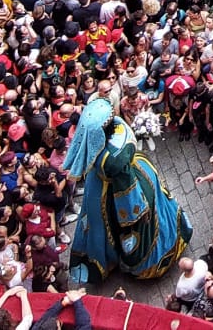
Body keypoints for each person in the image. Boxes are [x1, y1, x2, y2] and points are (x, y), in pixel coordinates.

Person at [61, 96, 191, 284]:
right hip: (132, 175)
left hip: (122, 185)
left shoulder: (106, 157)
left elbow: (130, 199)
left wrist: (132, 215)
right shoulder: (118, 131)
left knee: (107, 222)